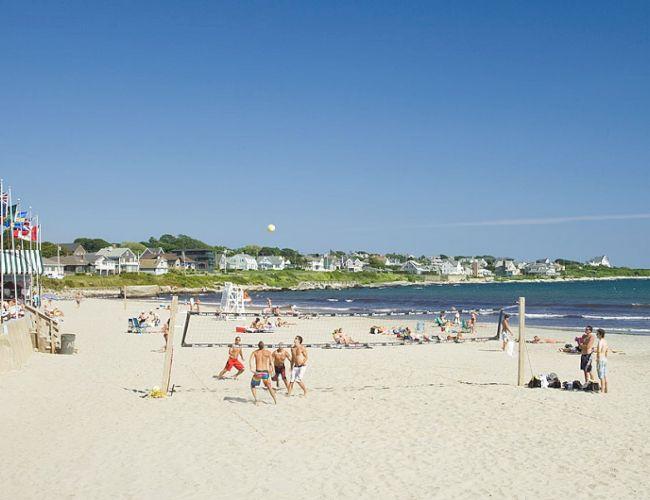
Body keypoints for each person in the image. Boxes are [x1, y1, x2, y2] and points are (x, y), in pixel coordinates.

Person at [596, 328, 609, 393]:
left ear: (600, 334)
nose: (596, 335)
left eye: (597, 334)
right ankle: (606, 389)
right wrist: (605, 357)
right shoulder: (605, 341)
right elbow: (607, 350)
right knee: (605, 375)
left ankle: (602, 390)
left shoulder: (600, 341)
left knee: (601, 376)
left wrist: (598, 359)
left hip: (601, 359)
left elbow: (598, 351)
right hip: (605, 359)